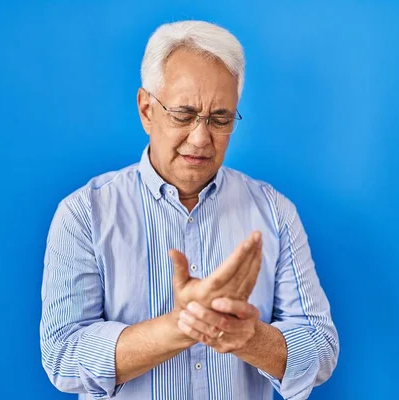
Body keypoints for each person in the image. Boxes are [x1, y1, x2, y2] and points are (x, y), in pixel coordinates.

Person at [40, 20, 339, 400]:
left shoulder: (274, 212)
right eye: (183, 115)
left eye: (220, 119)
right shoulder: (84, 214)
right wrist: (182, 327)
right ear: (147, 110)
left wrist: (248, 336)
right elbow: (62, 355)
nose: (200, 138)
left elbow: (320, 347)